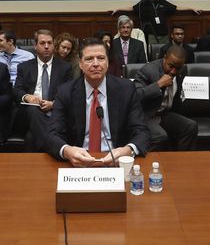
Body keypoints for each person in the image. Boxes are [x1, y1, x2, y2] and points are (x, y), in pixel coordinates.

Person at [46, 38, 150, 167]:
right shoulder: (65, 92)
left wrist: (128, 150)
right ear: (80, 64)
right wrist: (67, 151)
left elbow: (141, 131)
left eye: (101, 58)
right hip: (79, 161)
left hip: (116, 160)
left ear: (107, 62)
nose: (95, 64)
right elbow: (51, 134)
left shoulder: (126, 89)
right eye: (89, 59)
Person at [13, 30, 72, 151]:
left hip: (54, 112)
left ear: (53, 46)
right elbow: (17, 90)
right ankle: (53, 145)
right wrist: (28, 97)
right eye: (42, 43)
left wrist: (53, 104)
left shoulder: (65, 68)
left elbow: (70, 94)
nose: (46, 46)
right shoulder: (24, 67)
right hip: (29, 113)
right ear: (35, 46)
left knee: (30, 138)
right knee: (33, 109)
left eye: (49, 43)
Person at [133, 45, 197, 151]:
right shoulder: (147, 71)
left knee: (191, 126)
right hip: (146, 115)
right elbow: (135, 96)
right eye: (170, 66)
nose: (173, 71)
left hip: (164, 114)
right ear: (164, 58)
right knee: (160, 136)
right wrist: (158, 85)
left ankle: (182, 161)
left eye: (178, 68)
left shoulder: (180, 71)